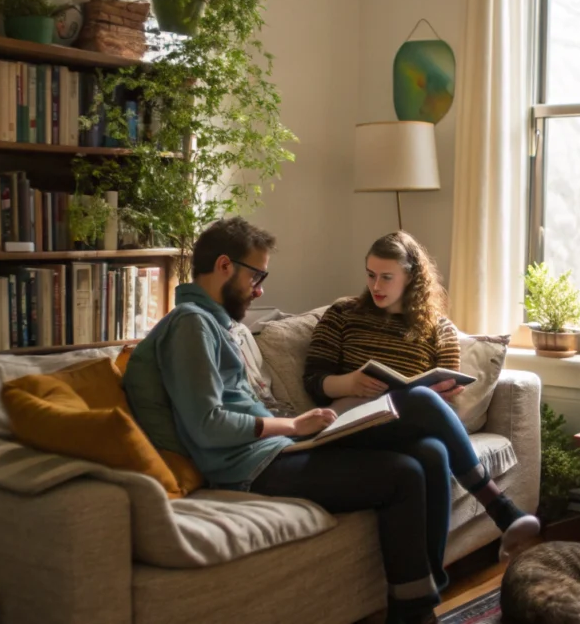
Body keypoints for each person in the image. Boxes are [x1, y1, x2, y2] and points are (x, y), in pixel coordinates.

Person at [123, 218, 442, 624]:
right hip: (251, 468)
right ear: (225, 266)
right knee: (403, 475)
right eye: (257, 275)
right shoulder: (190, 324)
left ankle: (423, 601)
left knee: (422, 450)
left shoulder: (214, 324)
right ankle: (414, 616)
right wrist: (292, 427)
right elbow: (207, 423)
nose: (260, 289)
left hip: (278, 452)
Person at [303, 231, 541, 584]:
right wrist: (349, 382)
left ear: (411, 277)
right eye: (370, 275)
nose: (376, 286)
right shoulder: (343, 314)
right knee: (421, 405)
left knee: (432, 453)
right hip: (350, 426)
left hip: (403, 428)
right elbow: (313, 380)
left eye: (387, 277)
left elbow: (448, 393)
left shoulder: (438, 329)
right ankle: (500, 507)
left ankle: (424, 594)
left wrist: (440, 395)